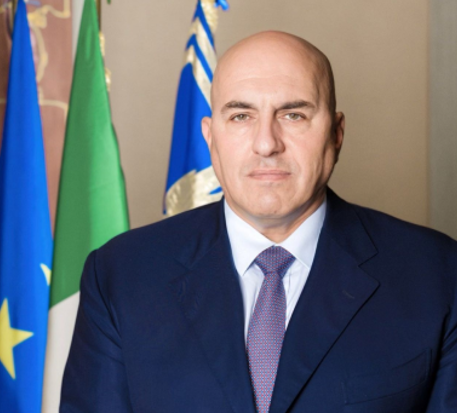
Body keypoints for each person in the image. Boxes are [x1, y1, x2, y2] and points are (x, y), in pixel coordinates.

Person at [60, 32, 457, 413]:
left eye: (294, 114)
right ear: (210, 137)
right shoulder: (121, 274)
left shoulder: (437, 275)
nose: (266, 143)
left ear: (336, 134)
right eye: (241, 116)